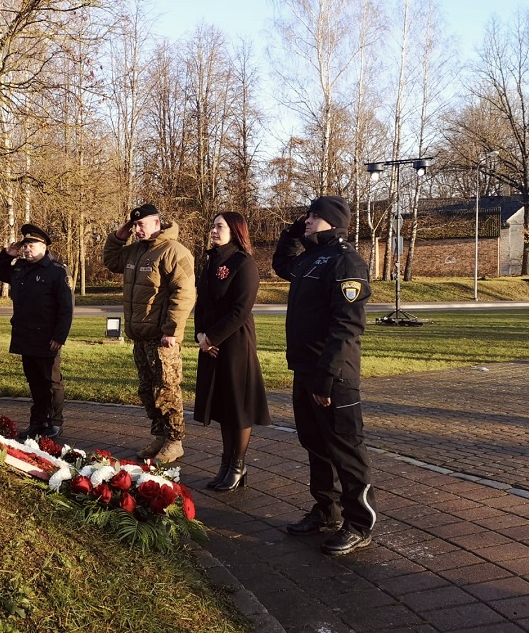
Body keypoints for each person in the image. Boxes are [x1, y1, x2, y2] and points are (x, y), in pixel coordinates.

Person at [272, 195, 377, 556]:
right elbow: (281, 264)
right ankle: (326, 511)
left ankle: (359, 523)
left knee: (346, 449)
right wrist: (291, 233)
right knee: (315, 444)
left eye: (314, 216)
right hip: (305, 370)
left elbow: (347, 326)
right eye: (307, 215)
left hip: (333, 375)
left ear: (333, 222)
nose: (307, 220)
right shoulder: (310, 258)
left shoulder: (345, 261)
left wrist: (326, 376)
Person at [102, 204, 195, 464]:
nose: (137, 230)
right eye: (134, 225)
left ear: (157, 223)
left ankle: (174, 441)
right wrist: (119, 236)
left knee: (167, 390)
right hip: (140, 336)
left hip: (162, 338)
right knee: (146, 390)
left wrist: (172, 330)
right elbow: (111, 261)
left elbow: (184, 294)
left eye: (141, 224)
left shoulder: (174, 251)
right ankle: (159, 436)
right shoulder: (135, 250)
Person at [193, 212, 270, 492]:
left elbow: (241, 309)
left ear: (235, 230)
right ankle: (226, 465)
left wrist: (213, 337)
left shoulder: (243, 263)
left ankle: (238, 466)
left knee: (238, 406)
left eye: (220, 226)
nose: (213, 231)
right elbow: (201, 303)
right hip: (210, 344)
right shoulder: (210, 261)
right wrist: (200, 335)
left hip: (235, 343)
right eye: (212, 226)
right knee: (223, 405)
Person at [0, 223, 73, 440]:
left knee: (52, 382)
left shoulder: (57, 271)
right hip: (25, 335)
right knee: (35, 382)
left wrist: (59, 337)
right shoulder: (20, 267)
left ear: (44, 247)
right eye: (25, 246)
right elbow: (0, 273)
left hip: (47, 338)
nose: (27, 249)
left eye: (32, 245)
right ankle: (38, 421)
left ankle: (55, 422)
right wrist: (6, 255)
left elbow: (66, 308)